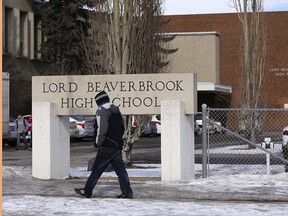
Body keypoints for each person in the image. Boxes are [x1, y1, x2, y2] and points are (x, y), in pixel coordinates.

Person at [75, 91, 133, 199]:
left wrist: (98, 143)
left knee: (96, 170)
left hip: (106, 146)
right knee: (121, 171)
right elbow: (122, 126)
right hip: (116, 146)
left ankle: (87, 191)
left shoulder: (102, 111)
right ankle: (127, 192)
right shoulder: (116, 110)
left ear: (99, 102)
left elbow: (102, 129)